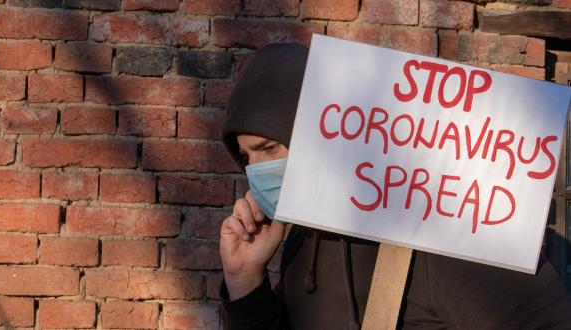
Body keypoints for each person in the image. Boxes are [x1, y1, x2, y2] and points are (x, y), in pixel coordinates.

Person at [218, 43, 571, 329]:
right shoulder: (303, 237)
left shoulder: (444, 233)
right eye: (247, 158)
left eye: (270, 149)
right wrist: (245, 279)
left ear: (315, 128)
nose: (257, 171)